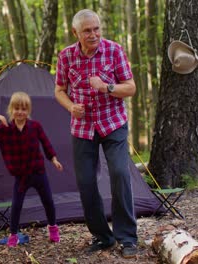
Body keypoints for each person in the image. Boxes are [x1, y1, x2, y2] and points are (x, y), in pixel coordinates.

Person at [54, 9, 138, 258]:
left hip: (113, 124)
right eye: (87, 31)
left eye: (96, 29)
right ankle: (103, 237)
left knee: (120, 174)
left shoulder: (114, 50)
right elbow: (59, 89)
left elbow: (131, 88)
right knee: (86, 182)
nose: (93, 35)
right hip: (83, 129)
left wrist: (107, 87)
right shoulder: (66, 56)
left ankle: (127, 238)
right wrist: (71, 106)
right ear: (75, 33)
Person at [0, 91, 63, 247]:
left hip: (38, 172)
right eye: (17, 108)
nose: (20, 112)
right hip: (21, 177)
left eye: (24, 109)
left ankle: (53, 228)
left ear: (29, 111)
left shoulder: (35, 126)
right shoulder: (5, 130)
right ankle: (13, 235)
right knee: (17, 205)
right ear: (11, 109)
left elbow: (45, 143)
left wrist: (53, 159)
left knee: (48, 201)